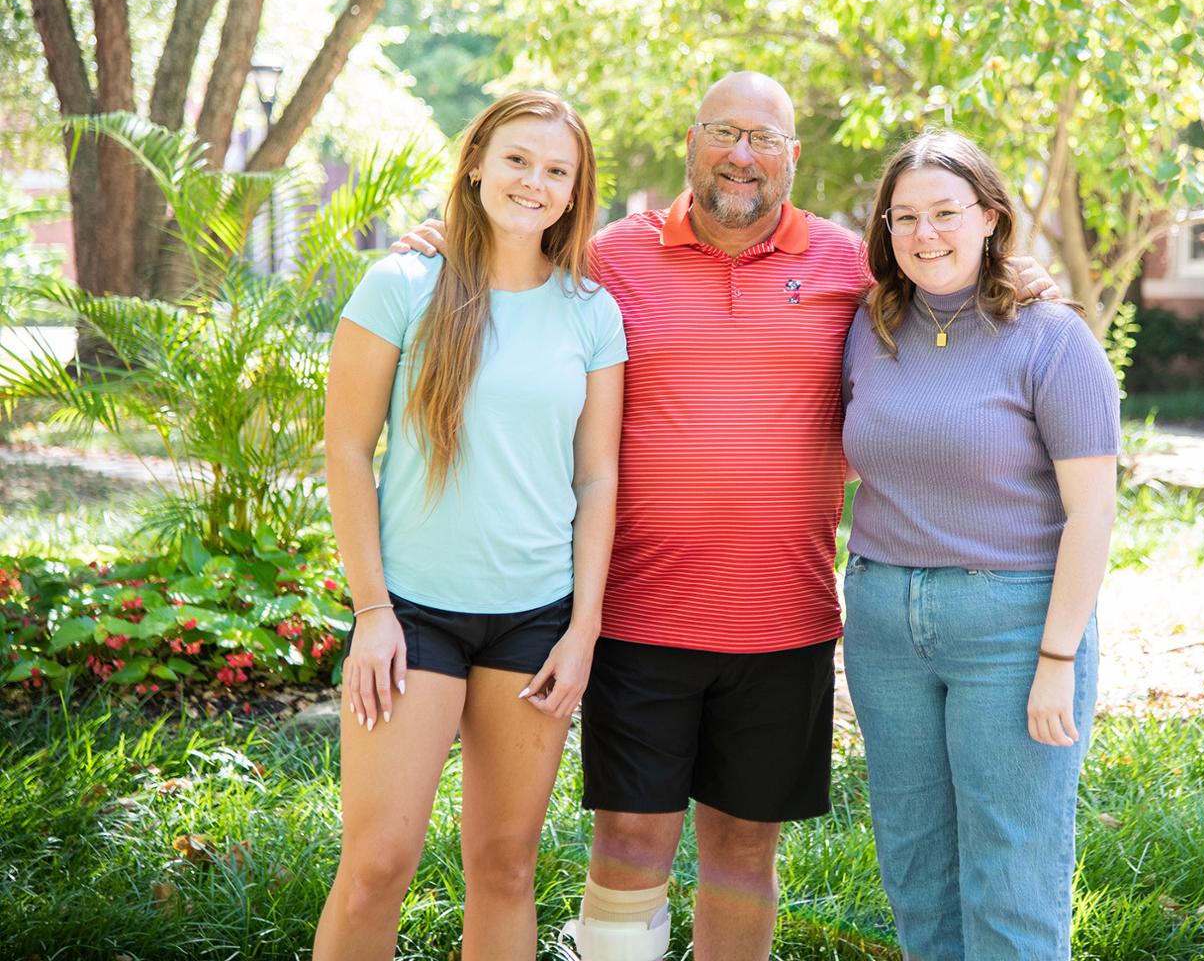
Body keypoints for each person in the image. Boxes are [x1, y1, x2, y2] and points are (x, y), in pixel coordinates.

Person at [393, 72, 1056, 961]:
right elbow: (512, 271)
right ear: (691, 143)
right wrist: (444, 245)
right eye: (724, 133)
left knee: (744, 853)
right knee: (630, 847)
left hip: (784, 623)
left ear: (793, 157)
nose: (743, 156)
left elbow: (951, 276)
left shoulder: (848, 265)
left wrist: (1023, 280)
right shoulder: (609, 258)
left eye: (766, 139)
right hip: (637, 617)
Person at [313, 90, 626, 961]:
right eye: (518, 159)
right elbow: (346, 451)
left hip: (536, 619)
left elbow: (597, 475)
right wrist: (372, 612)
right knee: (377, 864)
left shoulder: (590, 311)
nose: (534, 181)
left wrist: (584, 630)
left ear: (574, 192)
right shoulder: (402, 283)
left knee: (505, 865)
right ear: (478, 159)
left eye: (555, 171)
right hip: (413, 615)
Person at [839, 130, 1119, 960]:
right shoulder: (869, 328)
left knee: (1012, 877)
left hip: (1014, 626)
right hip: (886, 621)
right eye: (905, 219)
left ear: (990, 218)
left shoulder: (1052, 340)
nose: (926, 235)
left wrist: (1058, 657)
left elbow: (1093, 516)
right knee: (917, 869)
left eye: (946, 214)